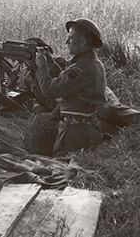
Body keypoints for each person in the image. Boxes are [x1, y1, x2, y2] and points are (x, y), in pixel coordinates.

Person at [30, 18, 107, 155]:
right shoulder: (94, 64)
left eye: (70, 38)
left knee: (58, 163)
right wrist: (50, 63)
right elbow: (70, 88)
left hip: (75, 135)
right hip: (88, 129)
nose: (66, 42)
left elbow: (49, 90)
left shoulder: (80, 69)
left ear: (82, 42)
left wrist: (41, 67)